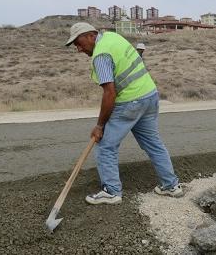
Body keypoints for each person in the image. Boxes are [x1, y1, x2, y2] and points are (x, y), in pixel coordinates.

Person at [65, 22, 183, 205]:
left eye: (79, 43)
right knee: (153, 143)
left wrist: (100, 126)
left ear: (90, 35)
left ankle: (111, 191)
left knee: (105, 146)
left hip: (131, 102)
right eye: (75, 46)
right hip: (149, 95)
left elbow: (109, 93)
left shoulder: (101, 55)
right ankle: (171, 186)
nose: (79, 49)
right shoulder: (113, 37)